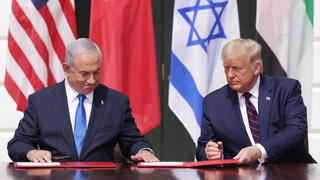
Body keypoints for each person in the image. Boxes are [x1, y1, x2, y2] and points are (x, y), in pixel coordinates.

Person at [8, 38, 159, 163]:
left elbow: (132, 140)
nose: (92, 80)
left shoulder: (116, 102)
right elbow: (18, 143)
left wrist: (143, 151)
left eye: (97, 72)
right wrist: (31, 153)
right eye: (84, 74)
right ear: (67, 69)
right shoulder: (41, 101)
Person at [196, 38, 316, 164]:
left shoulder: (285, 89)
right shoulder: (213, 102)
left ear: (256, 68)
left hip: (290, 171)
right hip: (242, 175)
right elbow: (202, 148)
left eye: (236, 68)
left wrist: (260, 150)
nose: (230, 75)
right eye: (226, 68)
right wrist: (209, 153)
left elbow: (296, 131)